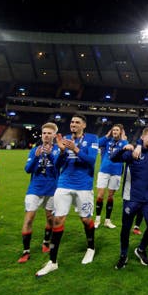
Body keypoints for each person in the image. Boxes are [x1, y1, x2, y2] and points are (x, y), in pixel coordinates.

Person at [35, 114, 99, 277]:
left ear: (84, 125)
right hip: (64, 184)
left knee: (85, 219)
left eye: (77, 122)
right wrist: (62, 152)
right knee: (58, 219)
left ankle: (91, 248)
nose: (73, 124)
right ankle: (53, 261)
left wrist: (75, 149)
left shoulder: (92, 138)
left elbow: (91, 161)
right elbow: (57, 165)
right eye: (72, 122)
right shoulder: (63, 139)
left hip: (84, 186)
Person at [110, 126, 148, 270]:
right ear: (143, 137)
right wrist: (126, 148)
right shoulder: (132, 153)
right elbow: (113, 158)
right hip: (131, 198)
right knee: (126, 228)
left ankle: (141, 249)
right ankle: (123, 255)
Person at [18, 122, 60, 263]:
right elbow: (28, 169)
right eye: (44, 133)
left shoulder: (58, 151)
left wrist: (51, 156)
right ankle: (26, 251)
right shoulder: (34, 150)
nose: (46, 135)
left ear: (54, 135)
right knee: (29, 218)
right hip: (35, 189)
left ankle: (46, 242)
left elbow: (59, 168)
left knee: (50, 219)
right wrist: (36, 157)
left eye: (49, 133)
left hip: (52, 189)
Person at [94, 124, 128, 229]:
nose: (115, 132)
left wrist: (124, 139)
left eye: (117, 130)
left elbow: (126, 148)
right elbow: (97, 143)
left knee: (110, 196)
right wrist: (106, 135)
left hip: (116, 172)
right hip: (104, 170)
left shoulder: (123, 142)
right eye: (113, 130)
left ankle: (107, 221)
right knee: (100, 195)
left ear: (121, 132)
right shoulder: (107, 141)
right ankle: (97, 219)